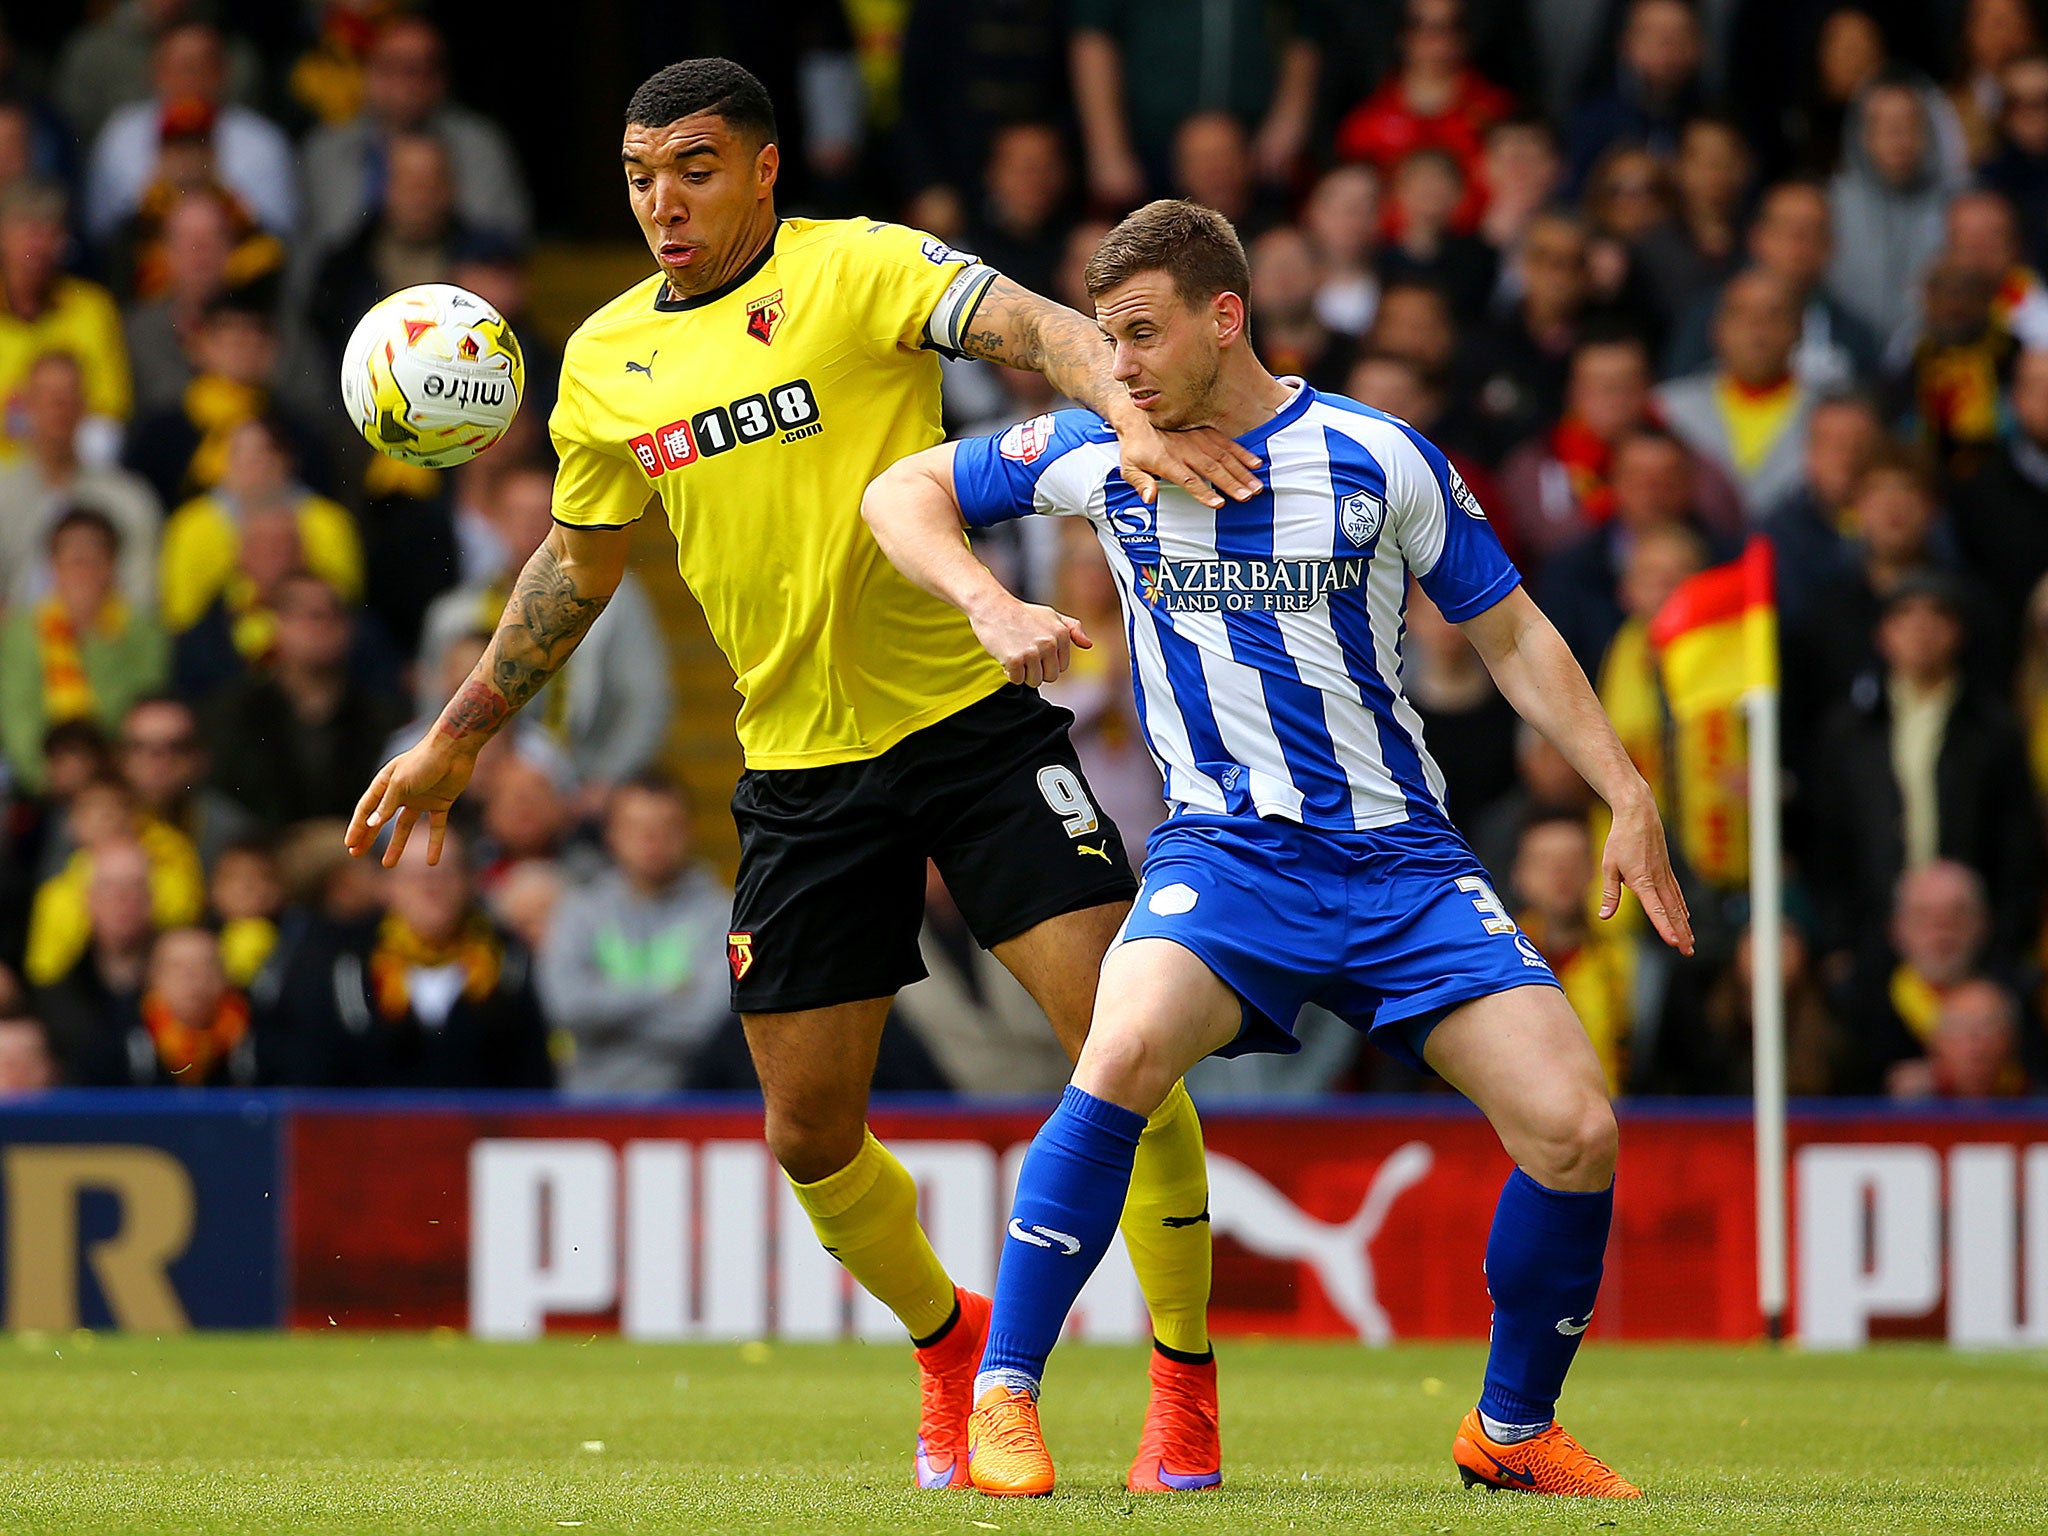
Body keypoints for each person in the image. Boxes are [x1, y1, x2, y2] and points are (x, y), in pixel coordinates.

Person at [344, 58, 1251, 1494]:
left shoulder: (863, 269)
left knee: (1126, 1042)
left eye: (693, 167)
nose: (662, 202)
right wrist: (461, 733)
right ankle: (948, 1347)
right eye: (640, 175)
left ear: (765, 169)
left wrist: (1129, 412)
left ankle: (1183, 1389)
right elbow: (582, 562)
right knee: (808, 1131)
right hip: (798, 773)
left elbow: (1034, 325)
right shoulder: (601, 363)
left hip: (970, 719)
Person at [862, 197, 1692, 1498]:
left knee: (1576, 1129)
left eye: (1140, 335)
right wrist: (987, 597)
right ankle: (1006, 1398)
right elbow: (898, 490)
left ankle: (1511, 1431)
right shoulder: (1102, 451)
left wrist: (1626, 793)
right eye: (1104, 339)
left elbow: (1514, 633)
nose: (1118, 364)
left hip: (1403, 868)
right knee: (1121, 1049)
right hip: (1227, 862)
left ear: (1225, 316)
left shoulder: (1378, 456)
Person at [413, 461, 669, 797]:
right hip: (473, 786)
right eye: (518, 514)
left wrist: (605, 782)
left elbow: (645, 702)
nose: (531, 525)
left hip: (583, 786)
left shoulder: (616, 601)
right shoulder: (452, 615)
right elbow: (431, 710)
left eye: (545, 513)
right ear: (492, 520)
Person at [263, 825, 551, 1089]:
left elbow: (535, 1079)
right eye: (414, 874)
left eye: (444, 872)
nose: (430, 888)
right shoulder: (346, 970)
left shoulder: (510, 966)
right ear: (386, 886)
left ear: (469, 881)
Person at [537, 775, 733, 1095]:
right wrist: (672, 990)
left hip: (691, 1110)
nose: (652, 840)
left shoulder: (723, 916)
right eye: (637, 827)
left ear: (689, 831)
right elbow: (566, 1007)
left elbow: (710, 1022)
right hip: (585, 1110)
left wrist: (605, 1009)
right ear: (611, 834)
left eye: (666, 827)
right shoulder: (579, 910)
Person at [298, 14, 533, 255]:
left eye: (425, 68)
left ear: (443, 77)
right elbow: (317, 247)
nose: (412, 83)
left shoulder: (478, 143)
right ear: (370, 71)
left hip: (448, 284)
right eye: (396, 66)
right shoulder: (327, 148)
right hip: (352, 286)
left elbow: (503, 240)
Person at [207, 572, 404, 831]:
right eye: (309, 615)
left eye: (333, 614)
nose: (322, 626)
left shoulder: (382, 718)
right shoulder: (232, 714)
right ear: (276, 625)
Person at [83, 21, 295, 246]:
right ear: (156, 72)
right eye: (179, 66)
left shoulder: (262, 141)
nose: (189, 78)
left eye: (201, 65)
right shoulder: (121, 134)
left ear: (222, 72)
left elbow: (278, 238)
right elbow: (101, 231)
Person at [0, 509, 167, 790]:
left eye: (94, 561)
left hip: (121, 781)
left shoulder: (142, 631)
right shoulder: (23, 632)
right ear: (54, 568)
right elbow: (17, 718)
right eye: (74, 561)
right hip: (43, 785)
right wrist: (47, 777)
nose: (84, 572)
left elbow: (139, 709)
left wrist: (98, 639)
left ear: (113, 565)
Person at [0, 352, 160, 607]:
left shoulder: (129, 499)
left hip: (105, 640)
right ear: (26, 405)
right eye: (46, 395)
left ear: (85, 406)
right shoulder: (3, 493)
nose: (58, 405)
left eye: (68, 395)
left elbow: (141, 600)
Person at [1654, 270, 1814, 520]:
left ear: (1800, 329)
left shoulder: (1829, 418)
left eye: (1774, 316)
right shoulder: (1667, 411)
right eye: (1742, 315)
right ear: (1717, 329)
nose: (1757, 331)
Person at [0, 183, 131, 451]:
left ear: (64, 241)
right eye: (27, 230)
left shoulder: (93, 308)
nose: (36, 246)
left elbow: (110, 408)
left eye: (49, 233)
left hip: (72, 465)